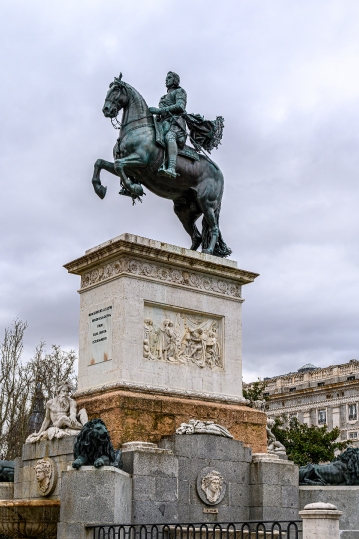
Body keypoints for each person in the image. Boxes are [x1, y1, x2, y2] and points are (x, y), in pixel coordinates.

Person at [149, 71, 187, 179]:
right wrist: (156, 116)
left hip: (176, 124)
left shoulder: (180, 91)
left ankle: (171, 168)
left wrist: (160, 110)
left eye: (169, 78)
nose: (166, 80)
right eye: (166, 78)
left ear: (175, 80)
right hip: (163, 124)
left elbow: (180, 106)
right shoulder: (163, 98)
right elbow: (160, 115)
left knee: (169, 137)